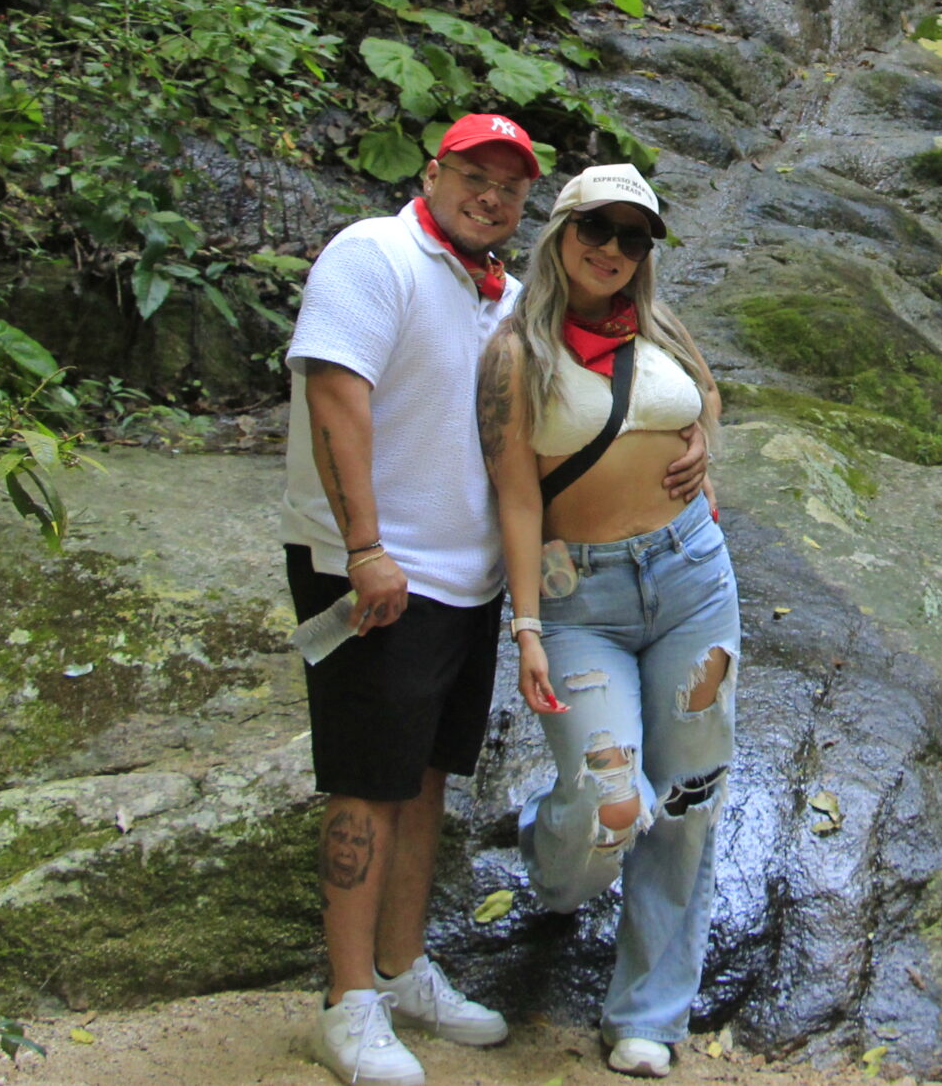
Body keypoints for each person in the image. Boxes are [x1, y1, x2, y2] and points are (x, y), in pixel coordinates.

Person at [280, 118, 709, 1086]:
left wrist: (694, 440)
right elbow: (336, 398)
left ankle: (401, 969)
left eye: (510, 187)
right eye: (474, 175)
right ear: (433, 171)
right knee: (366, 784)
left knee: (428, 776)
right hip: (378, 573)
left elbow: (606, 403)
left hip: (465, 581)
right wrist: (364, 549)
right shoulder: (374, 254)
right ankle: (347, 1002)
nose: (491, 196)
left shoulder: (506, 300)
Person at [475, 163, 735, 1080]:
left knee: (689, 792)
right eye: (598, 228)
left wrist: (702, 441)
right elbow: (515, 498)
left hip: (692, 576)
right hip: (579, 598)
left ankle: (649, 1012)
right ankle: (552, 866)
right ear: (562, 233)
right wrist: (527, 627)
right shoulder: (517, 353)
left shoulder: (659, 325)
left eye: (633, 235)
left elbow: (706, 398)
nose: (613, 249)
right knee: (608, 800)